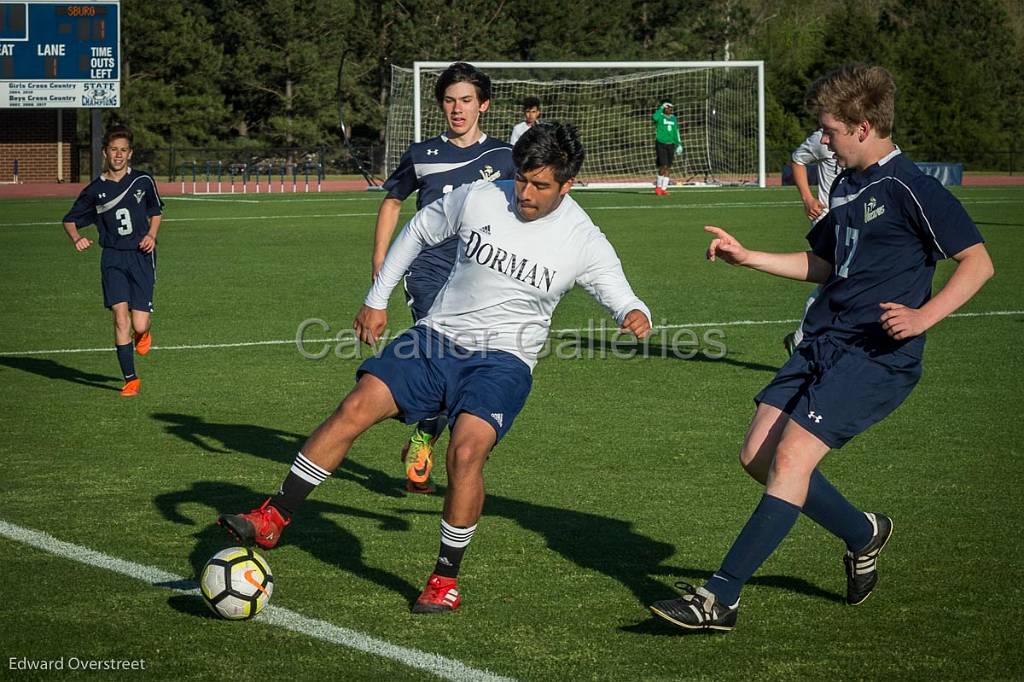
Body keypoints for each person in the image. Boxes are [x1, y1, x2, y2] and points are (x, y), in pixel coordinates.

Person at [220, 121, 652, 614]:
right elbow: (419, 229)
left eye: (540, 186)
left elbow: (621, 294)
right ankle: (274, 516)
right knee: (355, 407)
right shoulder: (482, 197)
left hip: (503, 362)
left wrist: (635, 315)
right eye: (522, 180)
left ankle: (444, 579)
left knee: (465, 453)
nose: (526, 193)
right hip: (434, 341)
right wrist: (376, 299)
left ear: (567, 185)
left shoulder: (584, 240)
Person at [649, 63, 993, 632]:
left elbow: (978, 261)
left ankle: (720, 597)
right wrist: (750, 256)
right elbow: (829, 265)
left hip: (875, 353)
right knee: (757, 456)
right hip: (823, 341)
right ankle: (863, 532)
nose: (824, 143)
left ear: (862, 126)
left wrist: (923, 315)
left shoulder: (912, 186)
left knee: (791, 459)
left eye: (830, 131)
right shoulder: (849, 185)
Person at [372, 62, 515, 494]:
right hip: (430, 272)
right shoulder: (422, 155)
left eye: (467, 100)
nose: (458, 109)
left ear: (483, 105)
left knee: (476, 365)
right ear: (441, 105)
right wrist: (381, 263)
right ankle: (425, 438)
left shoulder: (505, 158)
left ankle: (429, 434)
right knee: (442, 357)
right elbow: (393, 203)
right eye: (450, 100)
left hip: (484, 277)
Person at [62, 125, 164, 397]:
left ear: (130, 154)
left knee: (139, 324)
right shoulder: (95, 190)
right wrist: (76, 239)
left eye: (123, 150)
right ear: (104, 153)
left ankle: (143, 334)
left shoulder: (143, 180)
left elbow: (155, 211)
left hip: (142, 257)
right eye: (113, 150)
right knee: (121, 318)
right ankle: (130, 379)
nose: (118, 155)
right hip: (113, 259)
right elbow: (69, 220)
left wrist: (152, 236)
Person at [783, 128, 841, 355]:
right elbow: (798, 160)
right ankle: (803, 340)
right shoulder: (822, 138)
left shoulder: (869, 138)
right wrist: (808, 198)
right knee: (834, 278)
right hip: (826, 220)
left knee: (834, 281)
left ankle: (800, 339)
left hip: (856, 220)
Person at [652, 101, 683, 195]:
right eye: (667, 107)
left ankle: (664, 189)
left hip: (671, 144)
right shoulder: (660, 116)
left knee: (668, 167)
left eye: (670, 108)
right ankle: (658, 187)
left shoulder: (674, 118)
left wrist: (679, 143)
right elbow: (654, 117)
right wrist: (661, 107)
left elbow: (676, 131)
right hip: (661, 143)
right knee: (663, 166)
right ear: (664, 108)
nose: (669, 109)